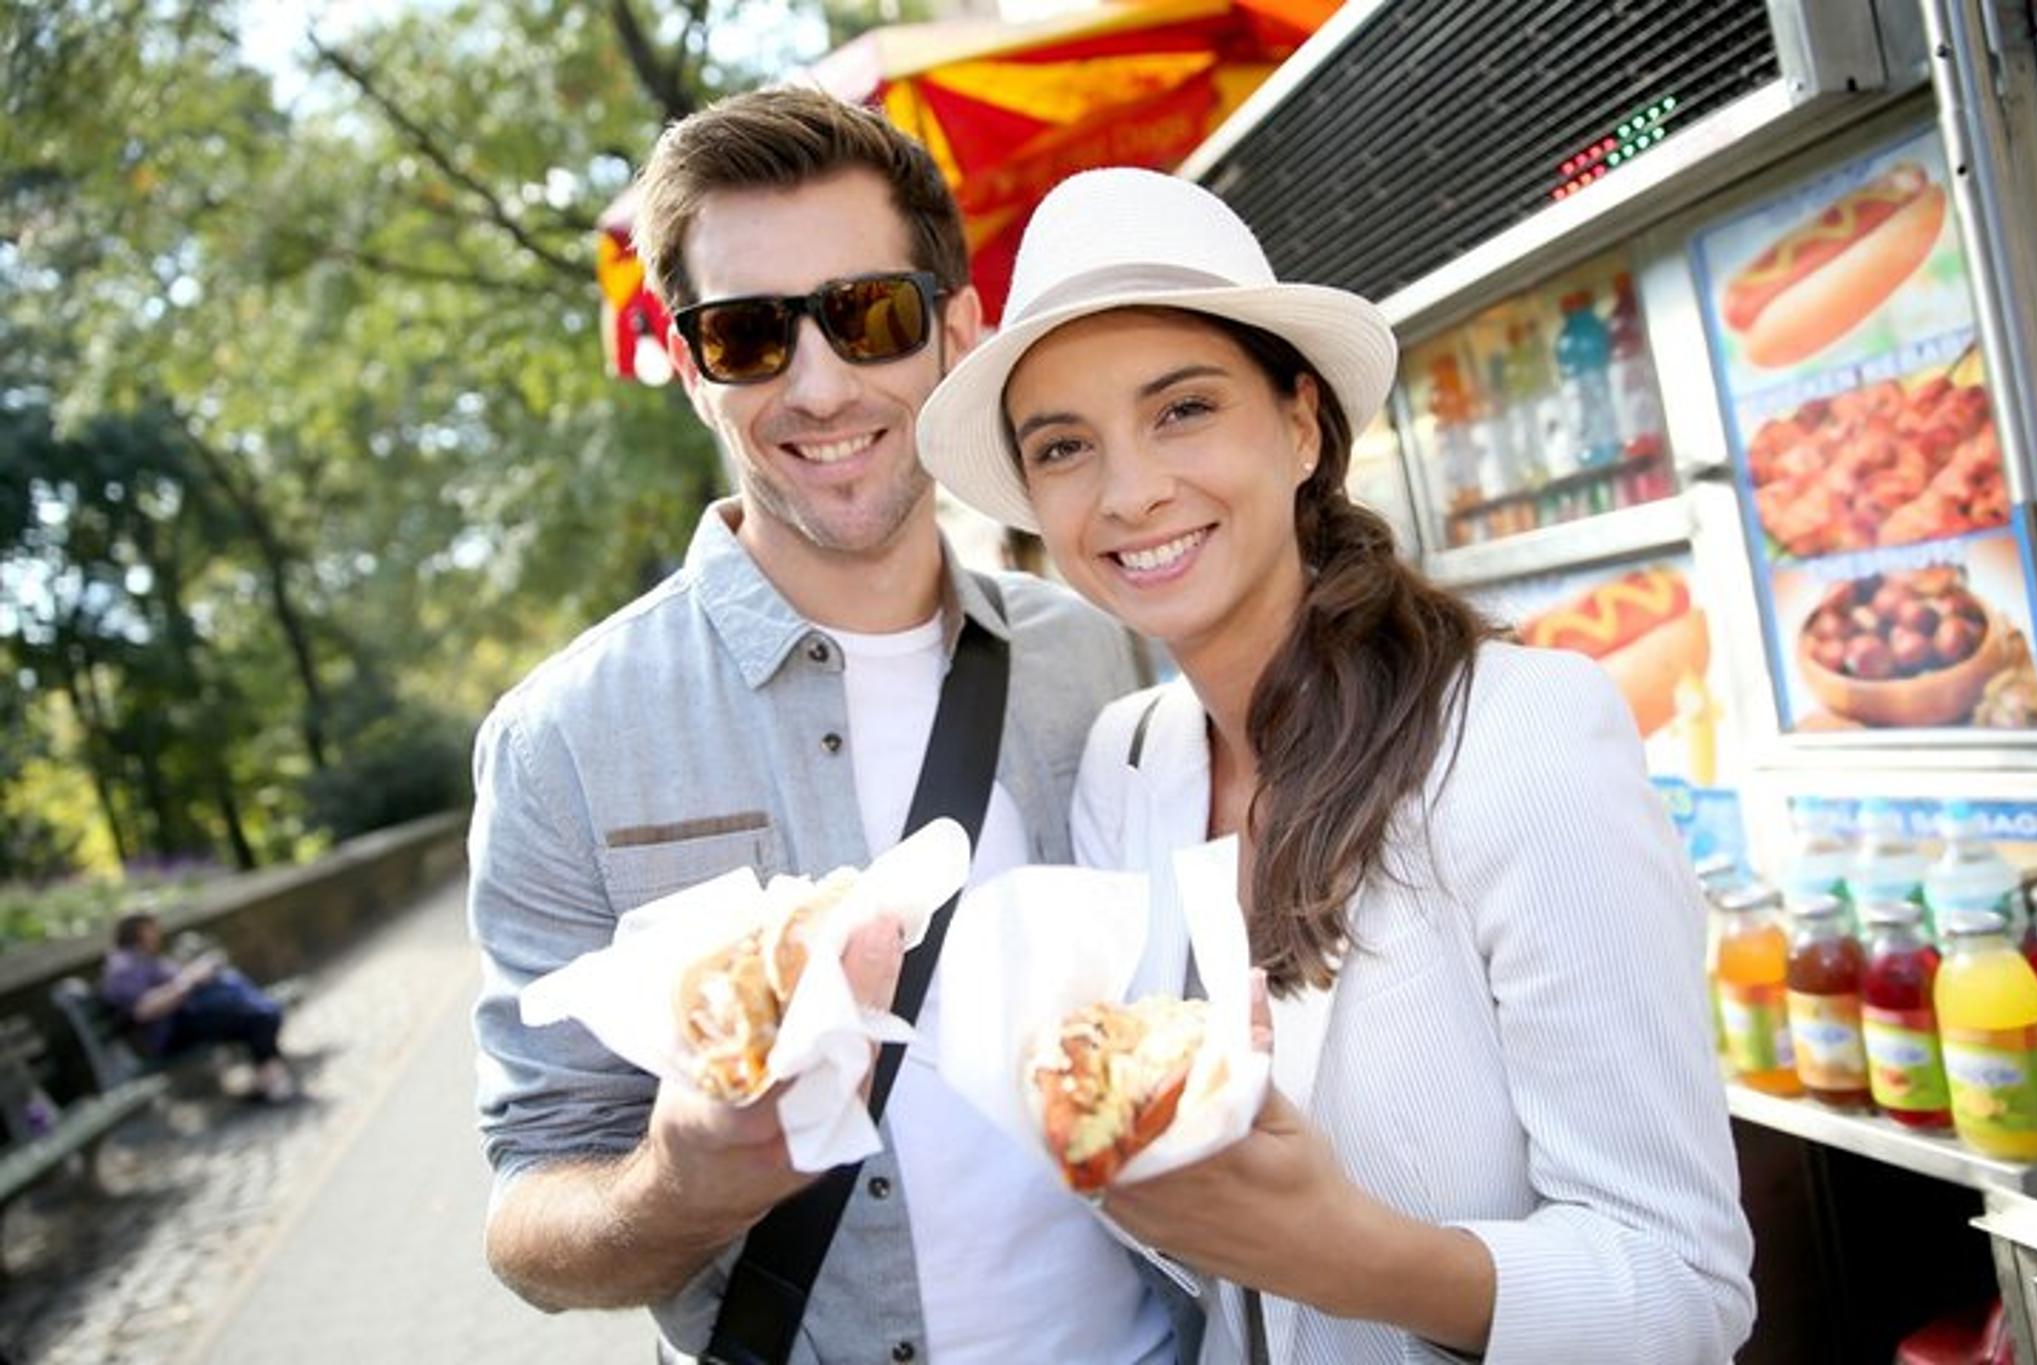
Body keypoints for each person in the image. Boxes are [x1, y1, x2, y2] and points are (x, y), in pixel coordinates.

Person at [917, 167, 1756, 1365]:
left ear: (1300, 424)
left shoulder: (1516, 734)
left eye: (1181, 409)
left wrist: (1345, 1255)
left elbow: (1683, 1288)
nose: (1130, 491)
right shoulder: (1127, 762)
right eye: (1063, 446)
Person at [466, 90, 1184, 1365]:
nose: (818, 384)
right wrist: (677, 1187)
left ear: (956, 332)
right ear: (691, 368)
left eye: (869, 315)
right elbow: (529, 1210)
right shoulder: (561, 744)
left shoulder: (1102, 650)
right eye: (747, 335)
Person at [100, 911, 296, 1103]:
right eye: (152, 928)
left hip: (186, 1019)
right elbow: (143, 1010)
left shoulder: (143, 957)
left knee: (251, 1006)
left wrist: (198, 973)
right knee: (256, 1015)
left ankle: (270, 1080)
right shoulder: (123, 966)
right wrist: (189, 981)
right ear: (139, 931)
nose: (158, 933)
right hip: (169, 1032)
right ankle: (273, 1082)